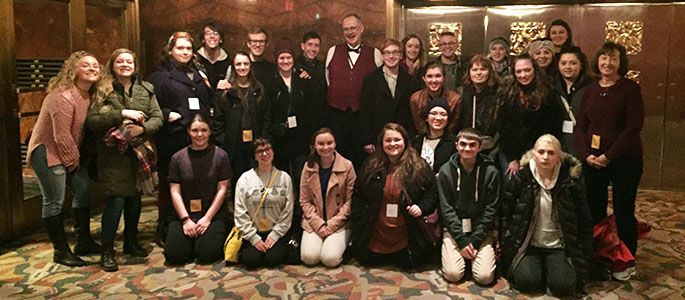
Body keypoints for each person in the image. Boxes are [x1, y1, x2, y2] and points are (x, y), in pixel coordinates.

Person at [86, 48, 163, 271]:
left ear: (135, 65)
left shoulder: (146, 89)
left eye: (129, 61)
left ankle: (131, 242)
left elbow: (157, 117)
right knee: (117, 201)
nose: (125, 65)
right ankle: (107, 251)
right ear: (112, 65)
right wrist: (122, 114)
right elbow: (93, 121)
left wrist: (143, 130)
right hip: (113, 156)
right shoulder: (102, 89)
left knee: (135, 200)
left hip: (139, 154)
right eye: (120, 61)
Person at [575, 42, 644, 281]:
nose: (607, 63)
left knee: (624, 210)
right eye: (603, 58)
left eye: (613, 58)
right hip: (593, 160)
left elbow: (633, 127)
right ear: (597, 61)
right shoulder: (591, 90)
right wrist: (587, 156)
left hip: (625, 159)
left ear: (620, 62)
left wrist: (608, 156)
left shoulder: (630, 89)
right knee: (595, 209)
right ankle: (598, 255)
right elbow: (581, 127)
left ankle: (626, 260)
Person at [27, 50, 102, 266]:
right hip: (47, 151)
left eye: (95, 65)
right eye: (86, 65)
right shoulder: (61, 95)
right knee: (54, 200)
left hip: (69, 151)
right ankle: (60, 251)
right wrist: (72, 161)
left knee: (83, 190)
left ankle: (83, 241)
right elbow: (61, 135)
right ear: (73, 70)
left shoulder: (90, 95)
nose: (92, 68)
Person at [500, 134, 592, 297]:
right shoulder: (521, 179)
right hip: (529, 244)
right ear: (533, 154)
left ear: (559, 157)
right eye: (541, 152)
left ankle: (552, 270)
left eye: (551, 153)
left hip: (559, 245)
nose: (545, 157)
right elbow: (506, 213)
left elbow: (584, 219)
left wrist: (583, 252)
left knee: (563, 287)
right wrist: (507, 242)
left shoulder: (571, 181)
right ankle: (539, 270)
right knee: (527, 282)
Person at [149, 31, 213, 245]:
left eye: (188, 48)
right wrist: (167, 114)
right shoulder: (160, 76)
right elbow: (151, 106)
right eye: (180, 48)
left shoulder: (198, 73)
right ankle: (167, 226)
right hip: (173, 138)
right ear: (170, 50)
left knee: (196, 182)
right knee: (172, 184)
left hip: (199, 136)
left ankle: (196, 224)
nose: (185, 52)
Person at [350, 123, 438, 268]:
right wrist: (359, 219)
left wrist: (421, 208)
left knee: (408, 263)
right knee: (371, 261)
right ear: (381, 143)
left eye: (397, 140)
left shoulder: (418, 165)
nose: (393, 144)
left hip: (407, 235)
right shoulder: (370, 164)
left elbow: (432, 191)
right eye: (388, 140)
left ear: (405, 141)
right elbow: (358, 194)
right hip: (376, 234)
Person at [164, 115, 232, 265]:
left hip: (212, 214)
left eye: (204, 130)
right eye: (195, 130)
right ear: (188, 131)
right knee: (175, 256)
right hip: (185, 214)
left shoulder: (221, 156)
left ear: (210, 132)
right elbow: (175, 191)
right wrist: (186, 220)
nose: (199, 134)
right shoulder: (177, 158)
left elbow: (222, 189)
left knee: (206, 254)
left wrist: (207, 219)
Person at [438, 128, 500, 285]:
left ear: (479, 147)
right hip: (454, 230)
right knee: (453, 275)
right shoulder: (446, 171)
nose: (467, 149)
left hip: (481, 229)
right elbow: (447, 209)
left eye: (472, 145)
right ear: (457, 145)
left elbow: (490, 209)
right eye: (463, 144)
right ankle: (462, 255)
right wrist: (462, 240)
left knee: (484, 278)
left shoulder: (491, 172)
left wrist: (475, 240)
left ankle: (472, 254)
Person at [325, 13, 383, 163]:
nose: (350, 32)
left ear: (361, 28)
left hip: (362, 116)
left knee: (361, 159)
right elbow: (327, 80)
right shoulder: (333, 51)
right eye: (346, 29)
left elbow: (379, 85)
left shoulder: (375, 53)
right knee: (337, 157)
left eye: (353, 28)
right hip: (337, 115)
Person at [499, 54, 563, 179]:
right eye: (519, 71)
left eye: (527, 70)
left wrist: (536, 155)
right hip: (511, 150)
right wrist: (513, 159)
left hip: (540, 151)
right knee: (512, 182)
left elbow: (553, 126)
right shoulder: (507, 93)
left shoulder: (548, 92)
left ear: (535, 70)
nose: (523, 75)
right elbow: (503, 127)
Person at [235, 138, 295, 269]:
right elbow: (239, 211)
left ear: (273, 152)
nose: (264, 154)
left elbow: (288, 210)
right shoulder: (245, 179)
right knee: (251, 260)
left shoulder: (284, 178)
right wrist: (253, 238)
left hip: (276, 230)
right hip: (253, 230)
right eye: (259, 151)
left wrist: (275, 234)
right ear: (254, 156)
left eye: (268, 149)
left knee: (273, 259)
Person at [299, 128, 356, 267]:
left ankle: (343, 244)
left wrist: (331, 226)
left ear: (335, 144)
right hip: (314, 222)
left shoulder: (347, 166)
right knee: (309, 258)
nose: (325, 147)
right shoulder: (308, 167)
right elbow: (304, 200)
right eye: (321, 144)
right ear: (314, 146)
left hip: (339, 223)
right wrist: (319, 225)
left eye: (329, 143)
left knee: (330, 259)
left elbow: (350, 201)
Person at [213, 51, 270, 186]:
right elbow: (218, 121)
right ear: (233, 67)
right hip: (234, 145)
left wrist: (264, 140)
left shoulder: (259, 90)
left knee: (257, 182)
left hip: (256, 144)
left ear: (250, 66)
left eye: (246, 64)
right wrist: (223, 142)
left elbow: (267, 117)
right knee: (238, 182)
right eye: (238, 64)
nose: (242, 67)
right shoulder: (226, 92)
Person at [359, 39, 418, 163]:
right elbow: (365, 111)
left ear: (401, 55)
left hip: (402, 138)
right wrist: (367, 140)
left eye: (395, 52)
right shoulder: (370, 80)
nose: (391, 56)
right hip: (378, 137)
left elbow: (412, 112)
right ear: (382, 56)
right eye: (387, 52)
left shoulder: (410, 81)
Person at [266, 37, 314, 181]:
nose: (285, 61)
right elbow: (268, 110)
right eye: (282, 58)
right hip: (279, 136)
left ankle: (300, 203)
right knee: (281, 176)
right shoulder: (270, 82)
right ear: (276, 60)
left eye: (288, 57)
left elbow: (309, 109)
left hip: (300, 137)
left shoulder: (303, 79)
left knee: (301, 175)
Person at [459, 54, 503, 159]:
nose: (479, 73)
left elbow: (501, 126)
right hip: (467, 146)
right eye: (475, 69)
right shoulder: (463, 93)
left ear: (490, 72)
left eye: (483, 69)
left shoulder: (499, 94)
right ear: (469, 72)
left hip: (492, 147)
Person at [553, 46, 591, 157]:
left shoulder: (591, 87)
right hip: (559, 146)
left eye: (573, 63)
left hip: (585, 146)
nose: (568, 67)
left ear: (581, 65)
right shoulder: (552, 87)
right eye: (563, 63)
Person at [410, 61, 462, 135]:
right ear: (424, 78)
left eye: (438, 76)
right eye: (429, 76)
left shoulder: (456, 99)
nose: (434, 80)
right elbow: (420, 127)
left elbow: (453, 128)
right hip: (424, 140)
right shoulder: (415, 99)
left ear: (444, 77)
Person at [412, 98, 456, 173]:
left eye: (443, 114)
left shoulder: (454, 143)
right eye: (434, 113)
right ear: (427, 118)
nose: (438, 118)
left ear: (448, 119)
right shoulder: (417, 142)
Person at [294, 31, 327, 130]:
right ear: (302, 46)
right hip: (300, 119)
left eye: (316, 45)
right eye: (310, 45)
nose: (313, 49)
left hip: (318, 119)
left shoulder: (322, 67)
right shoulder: (294, 65)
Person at [196, 22, 232, 89]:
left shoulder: (228, 63)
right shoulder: (195, 60)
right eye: (208, 33)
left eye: (216, 33)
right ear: (203, 39)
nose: (212, 36)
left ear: (220, 39)